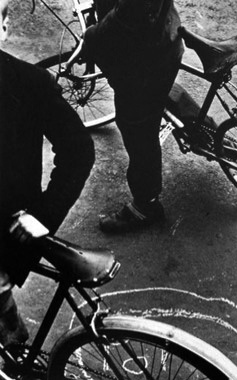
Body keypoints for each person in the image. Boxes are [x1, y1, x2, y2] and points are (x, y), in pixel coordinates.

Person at [0, 0, 95, 350]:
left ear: (4, 27)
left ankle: (12, 349)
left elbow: (78, 149)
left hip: (7, 232)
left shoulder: (29, 83)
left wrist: (45, 214)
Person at [83, 0, 184, 233]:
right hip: (163, 35)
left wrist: (93, 35)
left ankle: (145, 206)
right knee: (163, 93)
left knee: (138, 128)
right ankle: (207, 130)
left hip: (144, 54)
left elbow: (130, 11)